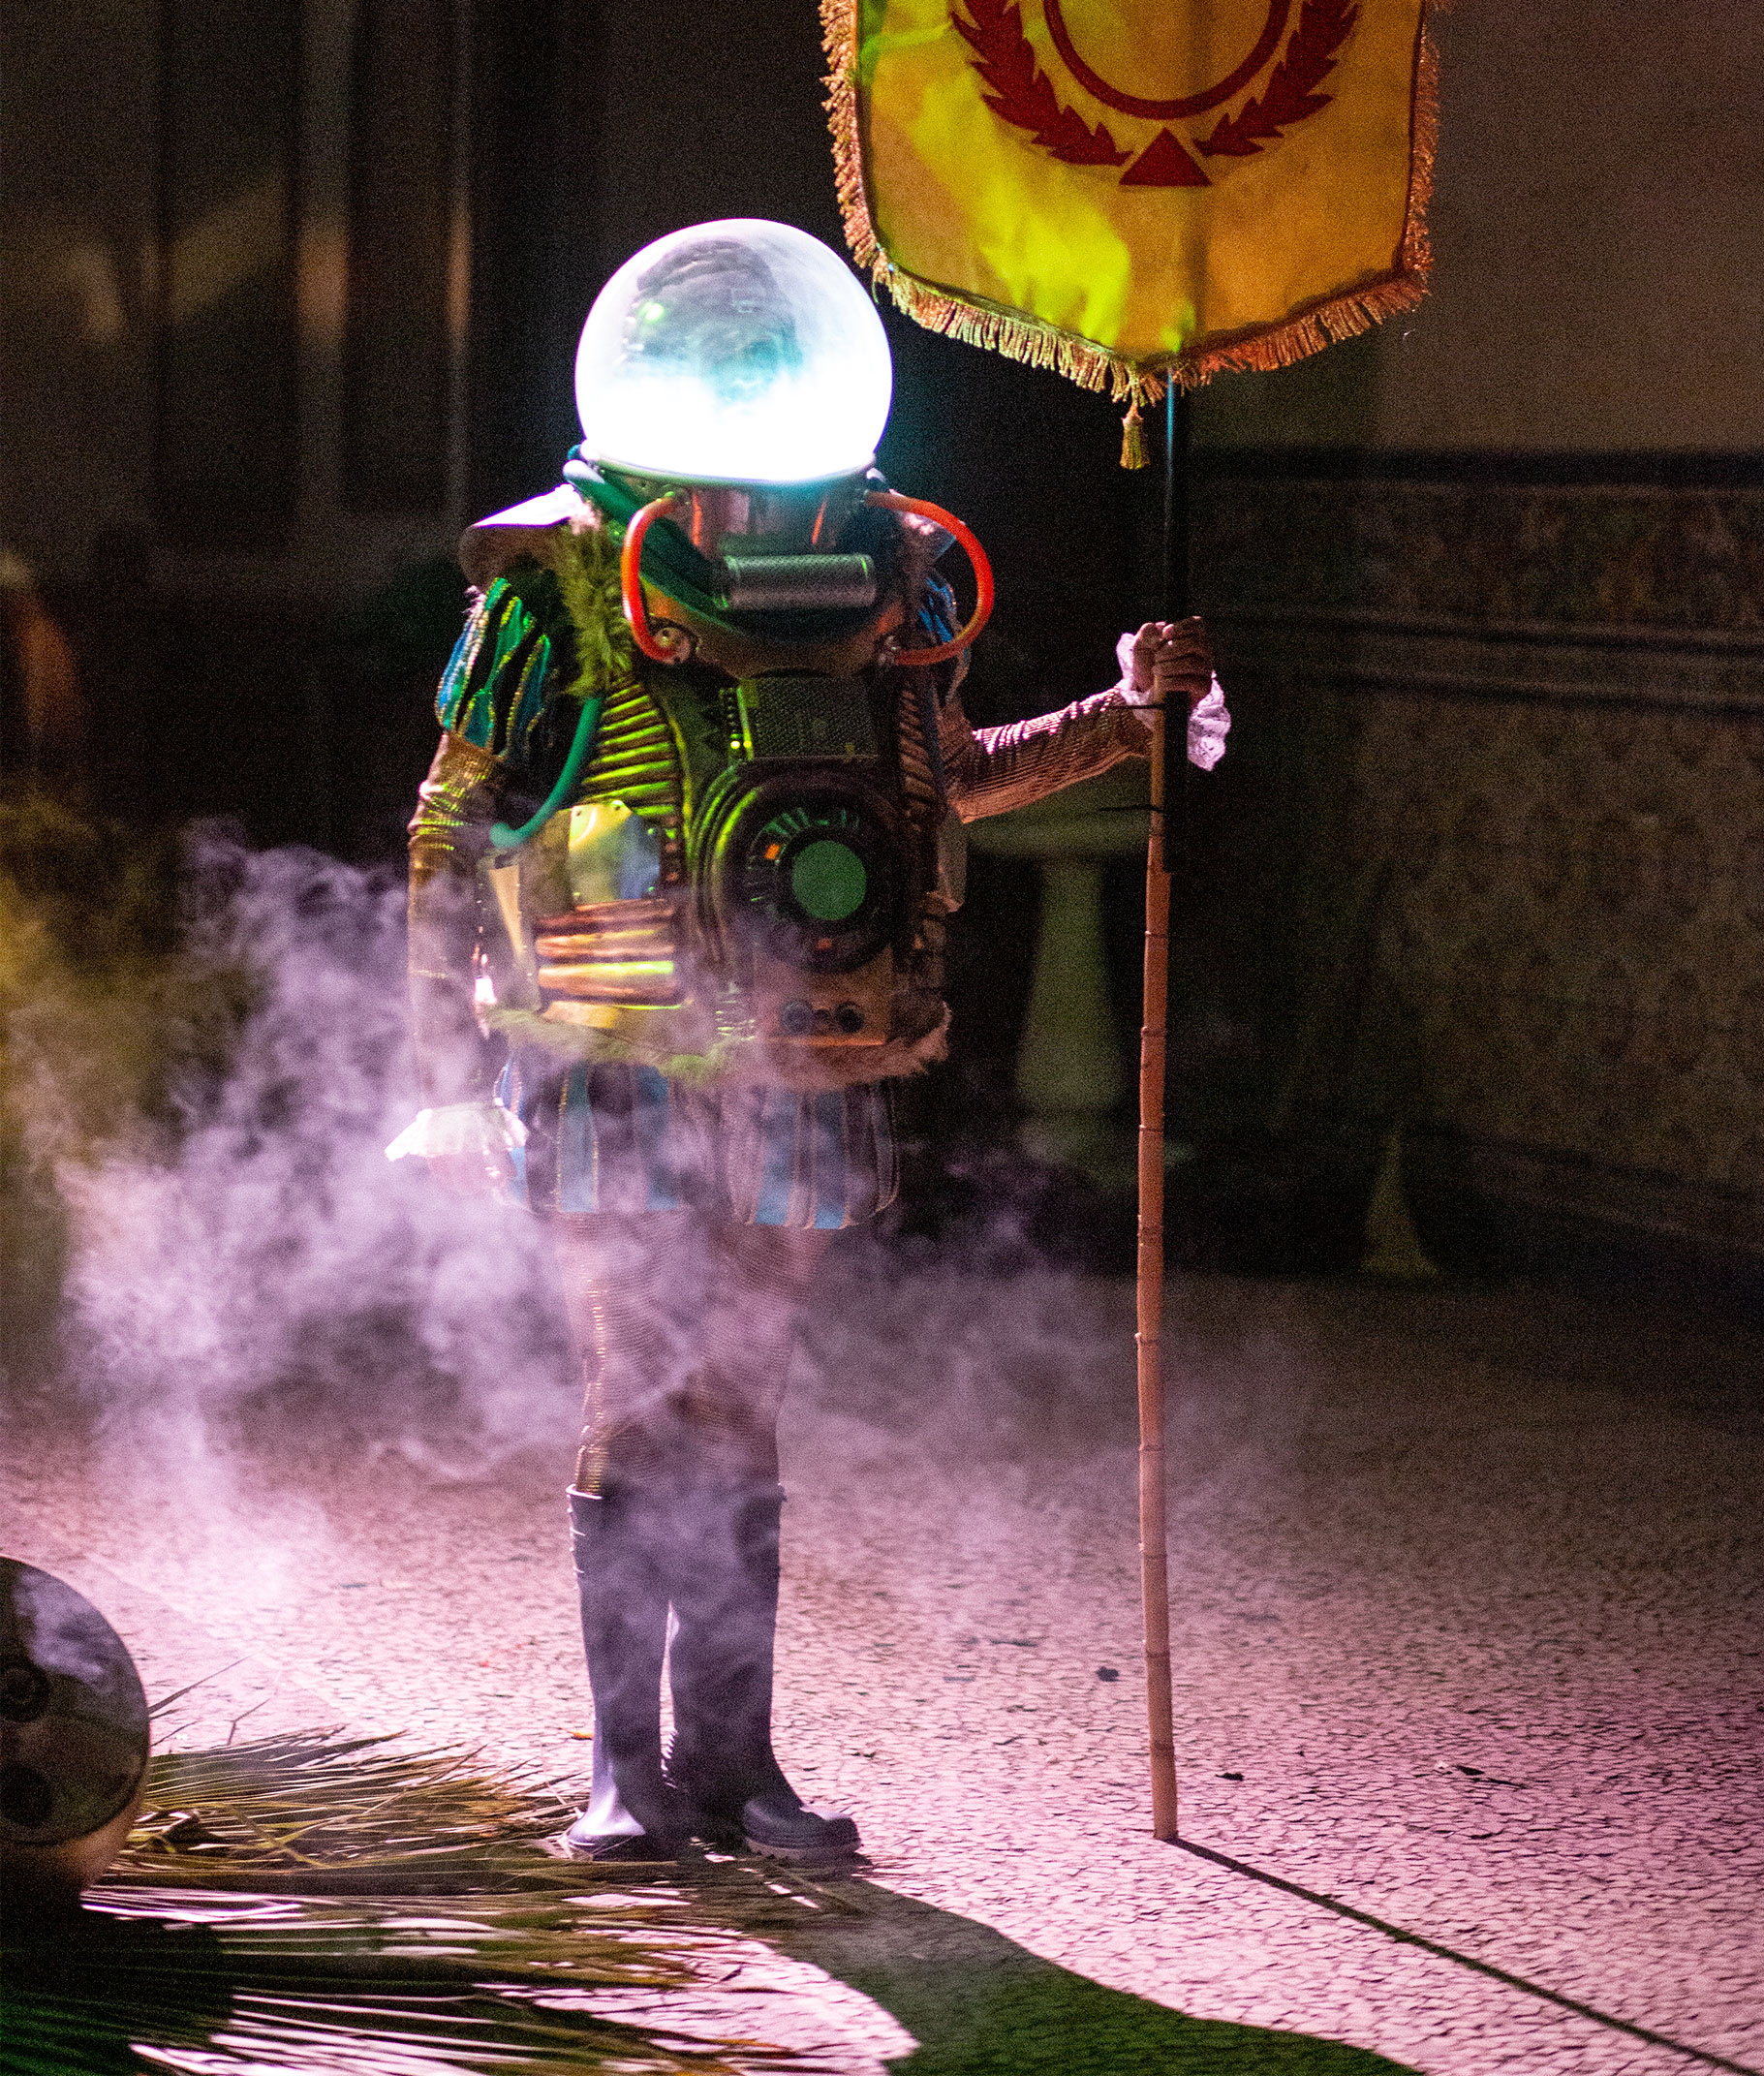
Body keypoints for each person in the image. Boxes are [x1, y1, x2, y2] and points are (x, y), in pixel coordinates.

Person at [388, 220, 1224, 1862]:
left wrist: (1128, 717)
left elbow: (947, 772)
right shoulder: (554, 584)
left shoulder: (892, 572)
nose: (743, 390)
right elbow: (451, 826)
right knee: (644, 1389)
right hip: (609, 1054)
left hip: (805, 1057)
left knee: (745, 1402)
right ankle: (623, 1776)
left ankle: (737, 1764)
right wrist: (431, 1070)